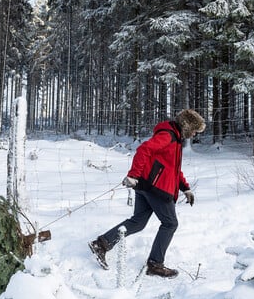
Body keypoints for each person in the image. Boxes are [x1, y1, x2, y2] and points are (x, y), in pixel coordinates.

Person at [88, 109, 206, 278]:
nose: (194, 134)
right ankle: (155, 264)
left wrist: (185, 188)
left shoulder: (175, 139)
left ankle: (102, 244)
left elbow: (173, 169)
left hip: (146, 186)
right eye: (195, 130)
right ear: (187, 126)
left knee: (138, 222)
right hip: (156, 189)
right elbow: (144, 150)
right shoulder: (168, 136)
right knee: (170, 224)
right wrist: (133, 175)